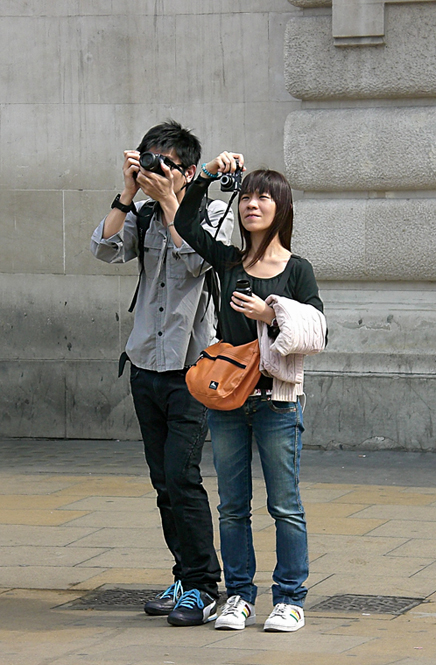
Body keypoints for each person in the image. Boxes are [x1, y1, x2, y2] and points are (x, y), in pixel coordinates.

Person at [173, 151, 326, 632]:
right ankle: (239, 596)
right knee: (233, 505)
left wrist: (271, 314)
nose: (252, 205)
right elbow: (185, 220)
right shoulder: (227, 261)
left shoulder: (297, 270)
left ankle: (290, 598)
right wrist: (210, 176)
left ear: (281, 207)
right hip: (228, 401)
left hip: (277, 402)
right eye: (246, 196)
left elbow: (320, 330)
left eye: (263, 197)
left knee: (285, 505)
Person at [90, 122, 234, 627]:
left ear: (190, 171)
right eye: (148, 159)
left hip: (193, 371)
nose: (155, 170)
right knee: (162, 482)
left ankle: (202, 586)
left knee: (182, 476)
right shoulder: (144, 211)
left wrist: (175, 202)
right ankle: (185, 575)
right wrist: (129, 193)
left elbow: (196, 259)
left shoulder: (213, 213)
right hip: (145, 365)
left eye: (165, 163)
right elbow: (104, 248)